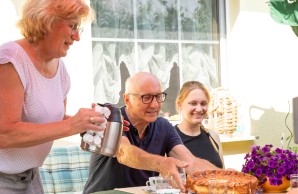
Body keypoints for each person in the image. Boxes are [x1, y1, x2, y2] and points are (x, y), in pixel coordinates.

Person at [0, 0, 107, 193]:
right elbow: (5, 134)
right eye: (73, 26)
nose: (76, 37)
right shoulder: (10, 60)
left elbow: (52, 122)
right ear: (46, 20)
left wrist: (92, 123)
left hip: (31, 177)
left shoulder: (60, 68)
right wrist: (72, 125)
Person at [83, 72, 219, 193]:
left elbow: (191, 163)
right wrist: (161, 163)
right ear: (127, 100)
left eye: (158, 96)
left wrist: (226, 176)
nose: (155, 105)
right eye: (146, 97)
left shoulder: (163, 126)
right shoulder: (111, 118)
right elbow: (124, 153)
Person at [175, 81, 225, 169]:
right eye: (193, 103)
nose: (199, 109)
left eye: (203, 103)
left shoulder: (213, 137)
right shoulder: (170, 138)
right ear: (180, 104)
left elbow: (224, 175)